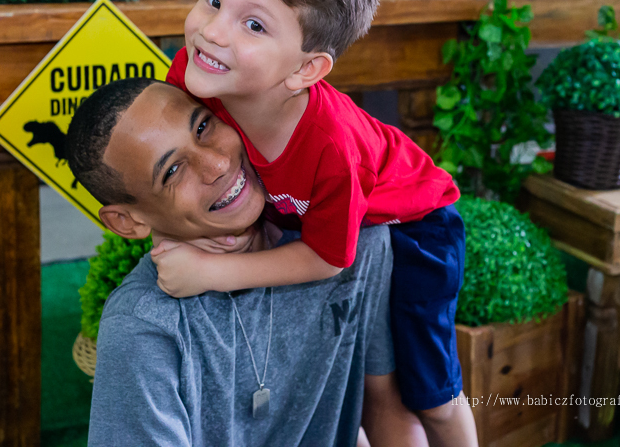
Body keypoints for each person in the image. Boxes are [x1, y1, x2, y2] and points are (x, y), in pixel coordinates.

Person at [156, 0, 478, 445]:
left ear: (306, 70)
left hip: (416, 227)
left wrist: (211, 273)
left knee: (427, 393)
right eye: (213, 0)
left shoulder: (332, 146)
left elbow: (330, 257)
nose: (211, 31)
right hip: (312, 218)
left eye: (253, 25)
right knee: (359, 380)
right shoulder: (199, 74)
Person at [66, 78, 428, 446]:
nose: (218, 163)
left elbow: (384, 405)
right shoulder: (143, 326)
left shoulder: (355, 242)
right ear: (127, 222)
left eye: (204, 126)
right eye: (172, 171)